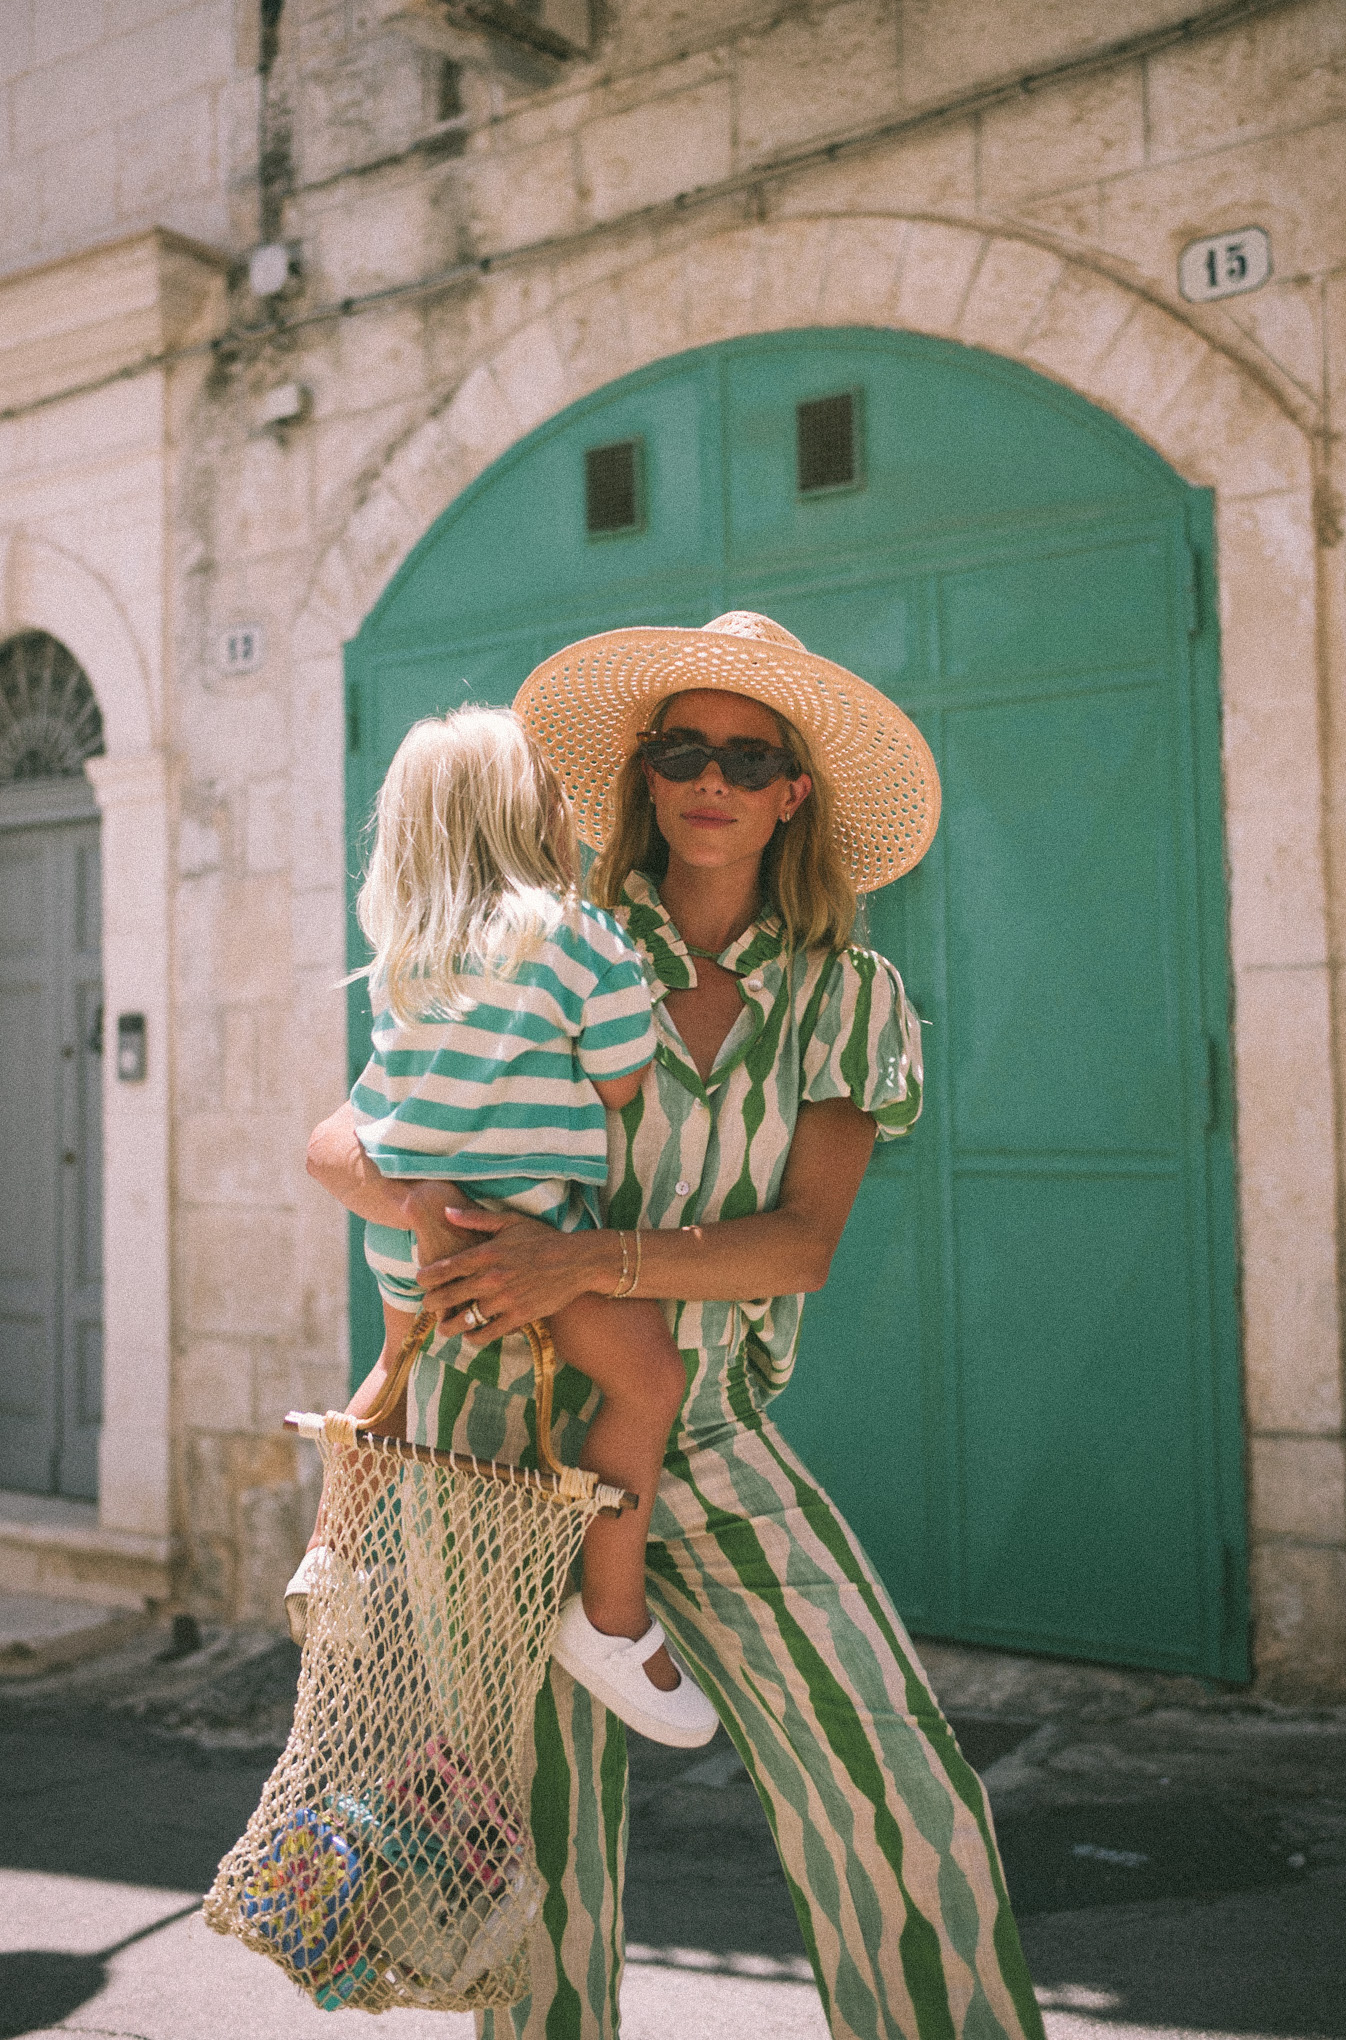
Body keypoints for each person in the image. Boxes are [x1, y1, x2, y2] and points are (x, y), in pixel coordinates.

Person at [307, 613, 1045, 2040]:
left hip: (696, 1421)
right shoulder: (547, 942)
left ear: (794, 793)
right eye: (681, 750)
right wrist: (450, 1228)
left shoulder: (848, 998)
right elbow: (345, 1136)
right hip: (492, 1449)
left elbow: (801, 1248)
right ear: (643, 782)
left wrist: (577, 1261)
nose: (711, 777)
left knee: (898, 1787)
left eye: (748, 755)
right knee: (542, 1861)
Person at [290, 704, 718, 1746]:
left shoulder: (406, 957)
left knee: (388, 1373)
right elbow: (621, 1085)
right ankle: (610, 1617)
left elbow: (378, 1102)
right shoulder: (580, 939)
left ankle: (331, 1556)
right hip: (518, 1237)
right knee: (649, 1379)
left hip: (405, 1232)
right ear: (531, 817)